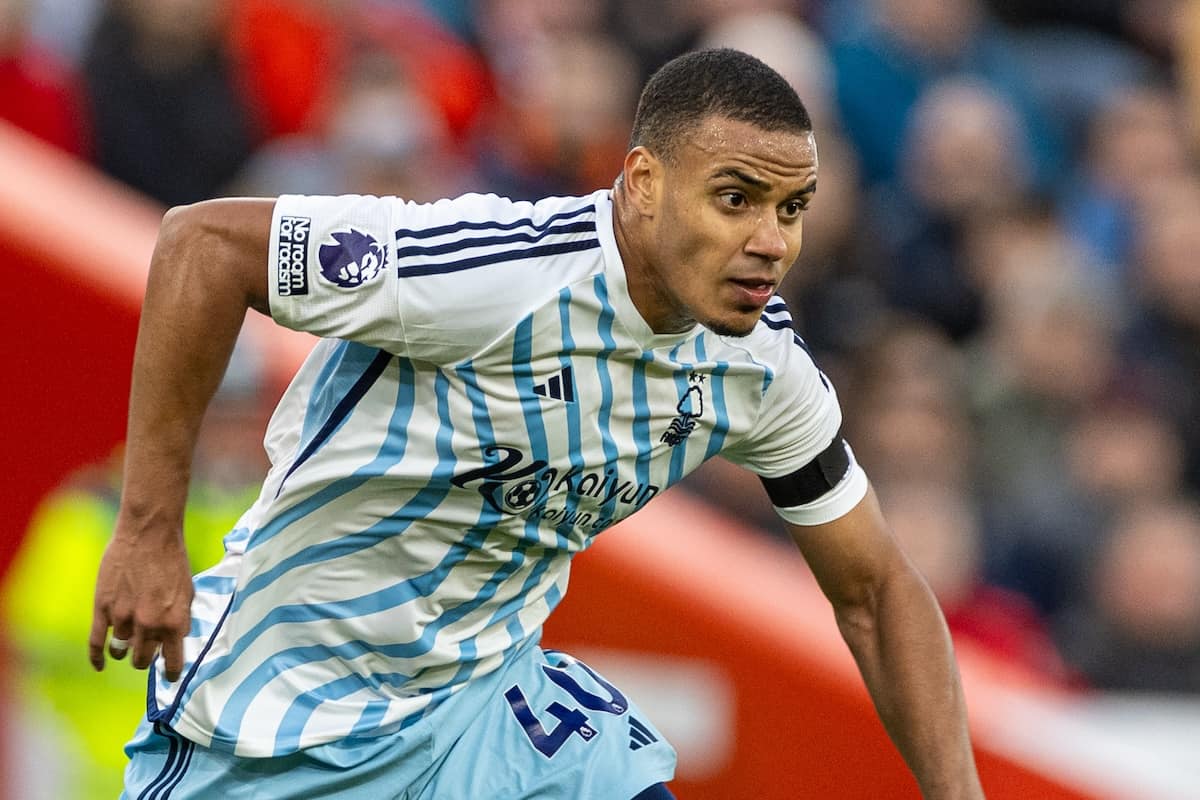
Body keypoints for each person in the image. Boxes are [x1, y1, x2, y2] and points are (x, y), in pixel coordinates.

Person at [90, 48, 984, 798]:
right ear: (642, 183)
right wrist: (147, 530)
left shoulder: (759, 368)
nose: (772, 240)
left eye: (792, 208)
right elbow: (200, 248)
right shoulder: (494, 274)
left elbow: (876, 591)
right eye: (736, 198)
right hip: (280, 714)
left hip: (481, 709)